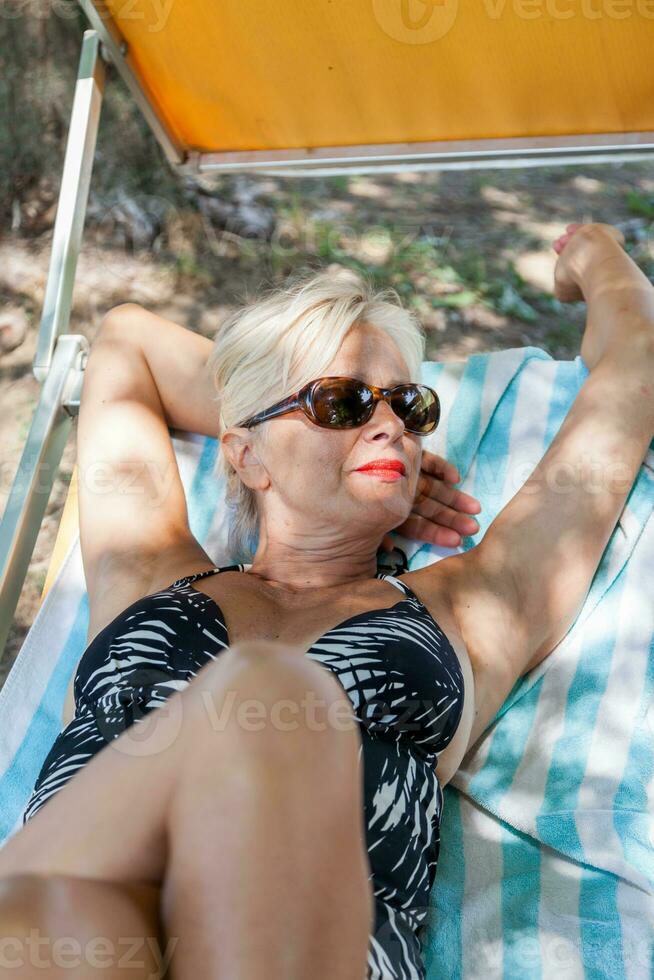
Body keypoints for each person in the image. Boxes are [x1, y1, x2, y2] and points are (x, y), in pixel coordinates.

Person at [0, 222, 652, 980]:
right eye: (342, 401)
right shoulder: (145, 569)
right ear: (242, 454)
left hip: (296, 946)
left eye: (409, 407)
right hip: (73, 923)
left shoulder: (474, 606)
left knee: (265, 694)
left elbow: (635, 370)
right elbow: (126, 342)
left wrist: (595, 255)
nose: (389, 426)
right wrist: (265, 416)